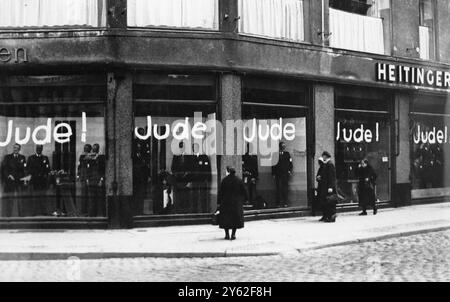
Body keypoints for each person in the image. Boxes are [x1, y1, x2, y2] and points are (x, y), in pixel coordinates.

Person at [217, 166, 247, 240]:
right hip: (236, 203)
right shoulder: (239, 180)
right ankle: (233, 234)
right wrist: (245, 199)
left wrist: (219, 202)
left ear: (229, 172)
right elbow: (244, 191)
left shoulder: (224, 180)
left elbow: (220, 192)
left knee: (225, 219)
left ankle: (227, 234)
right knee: (235, 220)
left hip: (226, 202)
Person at [1, 143, 27, 217]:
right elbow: (4, 169)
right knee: (9, 199)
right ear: (13, 148)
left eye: (17, 148)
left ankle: (21, 215)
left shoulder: (22, 158)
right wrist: (9, 175)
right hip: (10, 182)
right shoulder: (8, 157)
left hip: (19, 182)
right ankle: (7, 215)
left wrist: (22, 179)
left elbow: (24, 170)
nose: (16, 149)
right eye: (14, 147)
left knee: (20, 199)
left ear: (19, 149)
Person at [26, 145, 51, 216]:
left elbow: (48, 169)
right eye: (37, 148)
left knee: (43, 197)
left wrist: (45, 176)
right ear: (36, 149)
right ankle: (34, 212)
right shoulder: (31, 158)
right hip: (34, 181)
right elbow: (28, 169)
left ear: (42, 149)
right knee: (34, 197)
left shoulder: (45, 158)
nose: (39, 150)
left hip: (43, 181)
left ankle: (43, 211)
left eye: (40, 148)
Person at [316, 151, 337, 223]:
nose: (322, 157)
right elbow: (325, 175)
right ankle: (327, 216)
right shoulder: (326, 164)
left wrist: (330, 187)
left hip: (328, 187)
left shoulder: (330, 164)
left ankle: (331, 217)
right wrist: (320, 177)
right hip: (325, 187)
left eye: (323, 156)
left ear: (325, 156)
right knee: (326, 202)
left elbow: (331, 177)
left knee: (330, 202)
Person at [272, 142, 293, 207]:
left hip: (285, 173)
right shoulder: (275, 154)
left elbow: (290, 163)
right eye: (282, 146)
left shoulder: (287, 154)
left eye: (284, 146)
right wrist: (273, 173)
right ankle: (278, 203)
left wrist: (289, 170)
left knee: (285, 188)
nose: (283, 147)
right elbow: (273, 164)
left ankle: (285, 202)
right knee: (278, 188)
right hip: (278, 173)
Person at [87, 144, 105, 217]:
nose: (94, 150)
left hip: (98, 180)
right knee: (92, 199)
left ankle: (101, 214)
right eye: (93, 149)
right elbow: (88, 170)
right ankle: (92, 214)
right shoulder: (89, 158)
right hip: (92, 180)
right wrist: (88, 179)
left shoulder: (101, 158)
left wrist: (101, 179)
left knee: (100, 199)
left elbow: (103, 170)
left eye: (95, 149)